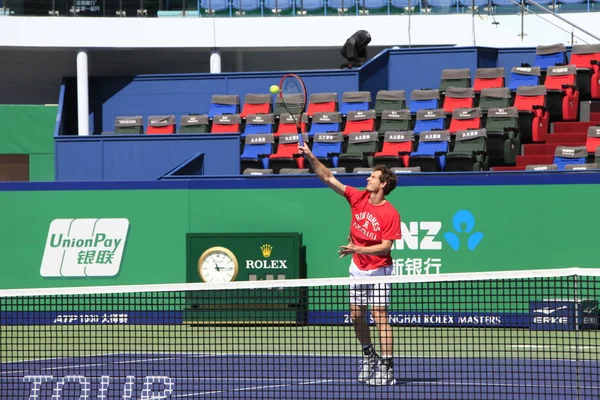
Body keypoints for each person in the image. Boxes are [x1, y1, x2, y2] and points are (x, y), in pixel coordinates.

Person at [298, 143, 401, 386]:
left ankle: (387, 368)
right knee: (356, 315)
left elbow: (386, 247)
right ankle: (369, 356)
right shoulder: (358, 197)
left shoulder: (391, 213)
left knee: (380, 315)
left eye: (373, 177)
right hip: (358, 267)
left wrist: (358, 248)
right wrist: (312, 157)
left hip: (379, 269)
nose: (368, 178)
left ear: (383, 184)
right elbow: (328, 177)